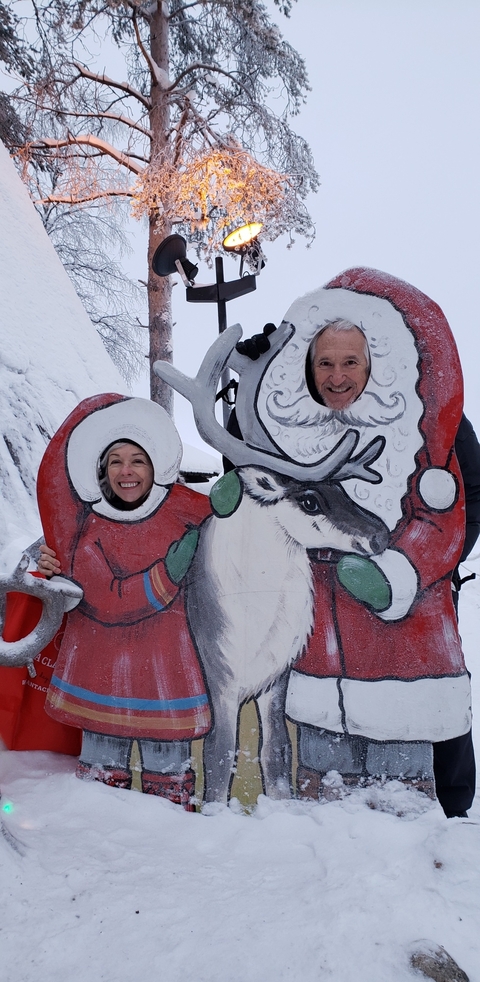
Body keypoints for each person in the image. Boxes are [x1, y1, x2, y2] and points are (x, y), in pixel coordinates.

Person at [229, 310, 477, 817]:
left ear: (373, 365)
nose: (336, 376)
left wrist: (417, 571)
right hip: (317, 621)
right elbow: (245, 472)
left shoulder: (427, 419)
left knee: (424, 727)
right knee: (324, 765)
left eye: (349, 362)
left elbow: (472, 494)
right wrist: (249, 395)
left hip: (412, 613)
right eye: (324, 362)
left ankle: (447, 818)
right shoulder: (286, 422)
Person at [37, 394, 212, 809]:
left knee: (169, 781)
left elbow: (235, 521)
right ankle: (101, 847)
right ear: (102, 469)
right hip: (100, 678)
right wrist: (169, 571)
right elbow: (109, 601)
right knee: (101, 781)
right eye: (115, 460)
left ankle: (174, 848)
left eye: (138, 459)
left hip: (166, 674)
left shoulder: (183, 507)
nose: (127, 470)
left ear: (156, 465)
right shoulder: (88, 528)